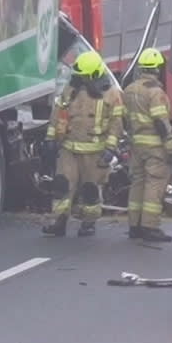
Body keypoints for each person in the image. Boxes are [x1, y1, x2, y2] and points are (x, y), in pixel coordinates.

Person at [43, 51, 121, 237]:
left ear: (93, 74)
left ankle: (88, 222)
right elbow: (58, 115)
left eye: (83, 76)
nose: (79, 79)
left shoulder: (111, 94)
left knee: (90, 190)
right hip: (69, 149)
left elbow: (116, 123)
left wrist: (110, 148)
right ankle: (59, 221)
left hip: (94, 152)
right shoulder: (70, 90)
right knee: (62, 185)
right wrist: (50, 139)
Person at [122, 49, 172, 243]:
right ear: (157, 69)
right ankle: (150, 226)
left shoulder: (129, 90)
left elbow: (124, 118)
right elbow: (161, 122)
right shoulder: (155, 92)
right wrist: (170, 147)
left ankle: (134, 225)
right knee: (155, 183)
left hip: (136, 145)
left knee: (138, 182)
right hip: (154, 146)